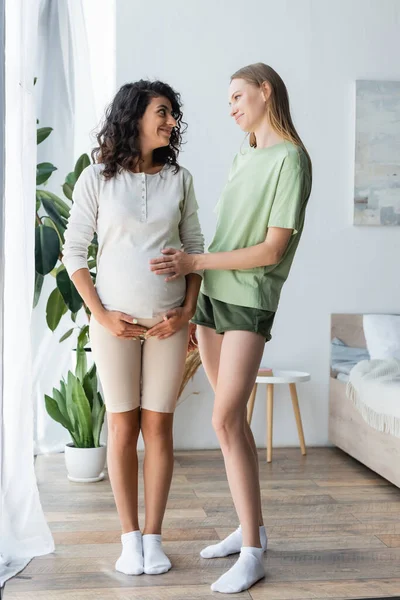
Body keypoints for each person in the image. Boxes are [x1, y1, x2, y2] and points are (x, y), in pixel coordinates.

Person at [150, 63, 312, 593]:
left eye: (240, 96)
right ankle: (250, 529)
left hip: (248, 299)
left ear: (266, 92)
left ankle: (252, 554)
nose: (232, 107)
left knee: (223, 420)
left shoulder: (291, 159)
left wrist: (197, 264)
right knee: (232, 426)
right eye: (229, 100)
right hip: (214, 298)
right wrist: (198, 273)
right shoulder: (247, 152)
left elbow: (271, 249)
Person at [62, 80, 204, 577]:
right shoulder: (96, 178)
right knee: (122, 426)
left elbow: (195, 250)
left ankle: (153, 537)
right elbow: (73, 252)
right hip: (113, 323)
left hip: (167, 324)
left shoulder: (180, 179)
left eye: (172, 115)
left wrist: (186, 312)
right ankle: (129, 540)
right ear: (135, 117)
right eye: (162, 113)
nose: (170, 122)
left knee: (158, 427)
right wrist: (101, 315)